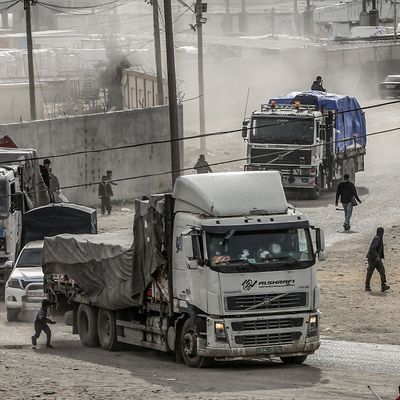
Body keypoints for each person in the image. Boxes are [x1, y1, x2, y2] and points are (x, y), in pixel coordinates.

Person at [365, 227, 390, 292]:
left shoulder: (379, 238)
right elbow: (372, 248)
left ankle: (383, 285)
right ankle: (367, 286)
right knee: (370, 272)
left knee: (382, 271)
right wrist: (376, 256)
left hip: (377, 260)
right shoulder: (377, 238)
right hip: (373, 259)